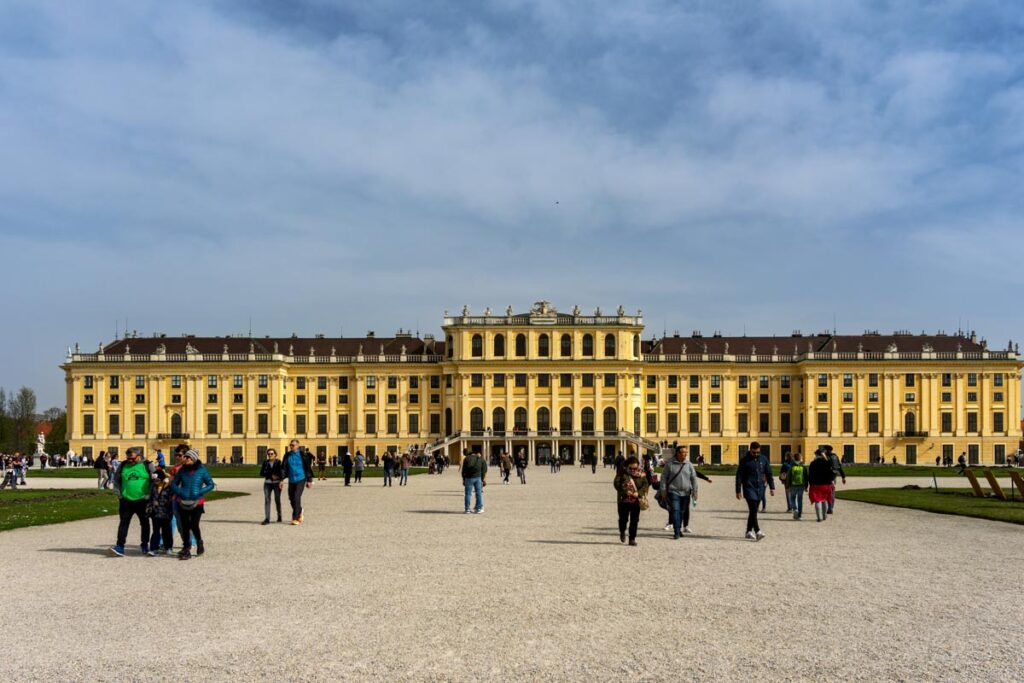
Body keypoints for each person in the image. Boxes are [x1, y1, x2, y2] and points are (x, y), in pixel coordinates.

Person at [109, 447, 156, 557]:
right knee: (123, 523)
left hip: (142, 500)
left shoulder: (147, 465)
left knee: (144, 523)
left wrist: (149, 495)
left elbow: (155, 481)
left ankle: (144, 544)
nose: (130, 461)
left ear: (139, 456)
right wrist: (119, 494)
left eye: (133, 459)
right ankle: (120, 546)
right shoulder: (123, 465)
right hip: (126, 500)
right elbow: (116, 480)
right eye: (128, 458)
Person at [170, 449, 216, 559]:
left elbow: (210, 484)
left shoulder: (202, 470)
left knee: (194, 524)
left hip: (197, 502)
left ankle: (199, 542)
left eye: (187, 457)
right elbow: (174, 484)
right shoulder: (182, 471)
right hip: (183, 501)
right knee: (185, 525)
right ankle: (186, 549)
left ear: (193, 459)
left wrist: (200, 492)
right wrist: (180, 492)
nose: (184, 459)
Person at [735, 442, 774, 541]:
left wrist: (772, 487)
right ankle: (757, 531)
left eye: (758, 453)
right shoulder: (744, 461)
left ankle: (748, 531)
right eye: (754, 453)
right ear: (750, 450)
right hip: (749, 488)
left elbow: (769, 473)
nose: (756, 454)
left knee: (754, 511)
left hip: (760, 488)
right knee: (753, 509)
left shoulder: (763, 459)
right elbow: (739, 475)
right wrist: (738, 490)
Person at [660, 445, 699, 539]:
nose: (685, 454)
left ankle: (678, 529)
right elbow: (663, 478)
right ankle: (677, 531)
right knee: (675, 510)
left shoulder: (689, 464)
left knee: (682, 512)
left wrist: (695, 491)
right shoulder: (670, 464)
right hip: (673, 491)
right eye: (683, 452)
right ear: (678, 453)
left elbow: (694, 478)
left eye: (686, 452)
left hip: (686, 492)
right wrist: (663, 490)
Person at [613, 456, 649, 546]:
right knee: (623, 519)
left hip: (636, 500)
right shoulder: (622, 472)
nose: (633, 470)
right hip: (623, 500)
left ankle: (632, 538)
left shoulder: (641, 473)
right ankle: (622, 531)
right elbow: (616, 483)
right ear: (627, 465)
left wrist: (639, 493)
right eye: (631, 468)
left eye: (635, 468)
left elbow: (645, 485)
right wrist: (625, 491)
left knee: (634, 520)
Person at [282, 439, 313, 525]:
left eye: (293, 445)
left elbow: (308, 468)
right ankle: (300, 510)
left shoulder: (303, 455)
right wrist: (281, 479)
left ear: (298, 446)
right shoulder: (287, 455)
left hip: (301, 478)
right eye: (290, 445)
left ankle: (295, 518)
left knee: (296, 497)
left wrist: (309, 480)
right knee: (291, 499)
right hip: (291, 479)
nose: (291, 446)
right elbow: (283, 468)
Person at [146, 469, 175, 555]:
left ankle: (168, 547)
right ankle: (153, 548)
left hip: (166, 512)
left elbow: (172, 499)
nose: (155, 482)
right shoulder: (153, 487)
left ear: (162, 479)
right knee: (155, 531)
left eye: (157, 480)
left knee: (167, 531)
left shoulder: (169, 487)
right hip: (155, 513)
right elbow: (150, 498)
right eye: (154, 480)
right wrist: (149, 507)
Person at [807, 448, 835, 522]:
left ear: (816, 455)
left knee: (817, 501)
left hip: (815, 484)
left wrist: (809, 483)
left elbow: (810, 475)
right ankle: (824, 515)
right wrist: (832, 481)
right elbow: (831, 473)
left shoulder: (813, 463)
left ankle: (819, 518)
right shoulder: (827, 463)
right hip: (826, 484)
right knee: (824, 500)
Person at [259, 448, 284, 524]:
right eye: (269, 454)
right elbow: (261, 473)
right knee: (267, 500)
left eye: (271, 454)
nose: (270, 455)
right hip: (267, 483)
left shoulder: (279, 462)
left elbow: (281, 472)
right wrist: (271, 475)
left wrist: (279, 478)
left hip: (277, 483)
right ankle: (267, 518)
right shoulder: (265, 463)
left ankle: (279, 515)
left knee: (277, 500)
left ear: (275, 455)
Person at [460, 448, 487, 514]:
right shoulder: (479, 458)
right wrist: (483, 479)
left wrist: (463, 479)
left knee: (468, 494)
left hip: (468, 478)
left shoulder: (466, 458)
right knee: (478, 493)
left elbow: (463, 470)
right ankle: (479, 508)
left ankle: (467, 509)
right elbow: (483, 470)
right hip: (478, 477)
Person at [824, 445, 846, 514]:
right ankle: (831, 507)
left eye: (824, 450)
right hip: (834, 476)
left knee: (826, 492)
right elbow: (839, 467)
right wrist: (843, 477)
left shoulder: (826, 457)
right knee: (832, 493)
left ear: (827, 450)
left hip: (827, 477)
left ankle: (829, 507)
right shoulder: (835, 456)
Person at [787, 453, 807, 520]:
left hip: (793, 485)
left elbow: (788, 477)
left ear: (794, 459)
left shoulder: (791, 466)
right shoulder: (803, 467)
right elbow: (806, 477)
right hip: (801, 485)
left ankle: (795, 508)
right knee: (800, 500)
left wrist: (787, 486)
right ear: (800, 458)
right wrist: (806, 486)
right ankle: (800, 515)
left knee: (792, 498)